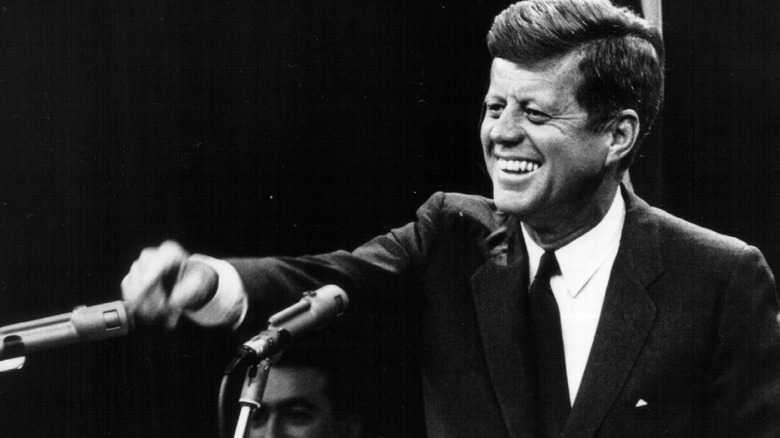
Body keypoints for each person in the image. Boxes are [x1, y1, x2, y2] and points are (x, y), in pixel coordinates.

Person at [121, 0, 780, 437]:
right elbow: (322, 277)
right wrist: (209, 283)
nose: (503, 134)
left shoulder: (718, 279)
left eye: (536, 113)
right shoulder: (449, 236)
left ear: (618, 135)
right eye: (496, 108)